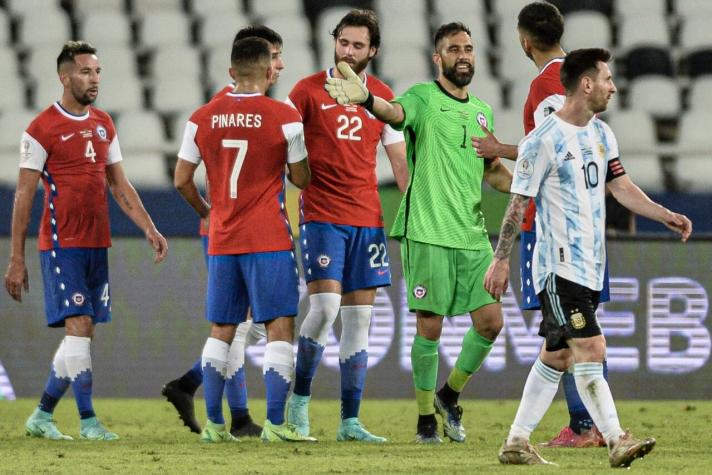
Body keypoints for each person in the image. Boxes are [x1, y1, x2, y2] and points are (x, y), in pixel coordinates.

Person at [484, 48, 692, 467]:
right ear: (586, 84)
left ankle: (516, 441)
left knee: (558, 355)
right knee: (591, 346)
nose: (613, 87)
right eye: (608, 79)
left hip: (590, 265)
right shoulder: (541, 141)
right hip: (559, 266)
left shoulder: (601, 133)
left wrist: (664, 214)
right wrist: (501, 259)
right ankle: (616, 440)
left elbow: (621, 186)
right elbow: (517, 204)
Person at [326, 22, 513, 443]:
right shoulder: (423, 99)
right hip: (428, 230)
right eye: (453, 49)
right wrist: (370, 100)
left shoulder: (481, 110)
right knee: (430, 327)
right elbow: (394, 112)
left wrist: (526, 186)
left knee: (491, 323)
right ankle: (426, 418)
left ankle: (450, 394)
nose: (463, 55)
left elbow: (494, 173)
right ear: (438, 58)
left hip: (471, 233)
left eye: (468, 48)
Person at [4, 41, 168, 441]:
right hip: (62, 244)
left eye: (97, 72)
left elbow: (119, 183)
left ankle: (42, 415)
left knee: (84, 330)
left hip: (97, 242)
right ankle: (88, 420)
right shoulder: (42, 128)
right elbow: (24, 195)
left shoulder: (104, 123)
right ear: (64, 77)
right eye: (85, 72)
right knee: (78, 324)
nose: (94, 79)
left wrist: (149, 226)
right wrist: (16, 258)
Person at [471, 2, 609, 448]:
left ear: (523, 39)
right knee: (567, 333)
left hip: (554, 227)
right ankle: (543, 433)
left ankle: (585, 427)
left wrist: (499, 147)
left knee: (570, 329)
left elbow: (552, 143)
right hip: (582, 223)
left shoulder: (548, 83)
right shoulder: (570, 78)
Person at [175, 36, 313, 443]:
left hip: (221, 240)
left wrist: (207, 212)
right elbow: (301, 178)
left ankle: (215, 427)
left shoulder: (201, 117)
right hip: (268, 238)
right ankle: (275, 424)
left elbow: (181, 179)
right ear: (269, 71)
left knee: (222, 329)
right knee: (279, 327)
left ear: (232, 72)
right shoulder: (283, 117)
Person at [284, 9, 408, 443]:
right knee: (324, 309)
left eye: (358, 45)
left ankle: (349, 421)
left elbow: (398, 159)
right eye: (343, 42)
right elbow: (284, 151)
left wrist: (409, 210)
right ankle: (297, 406)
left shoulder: (381, 97)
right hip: (321, 216)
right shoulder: (305, 92)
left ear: (372, 50)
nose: (348, 52)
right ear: (333, 41)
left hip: (367, 221)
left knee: (358, 323)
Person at [161, 25, 284, 439]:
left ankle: (225, 407)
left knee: (239, 325)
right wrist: (212, 214)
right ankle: (230, 409)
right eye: (274, 56)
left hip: (224, 228)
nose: (279, 65)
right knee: (241, 324)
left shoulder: (216, 109)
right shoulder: (247, 111)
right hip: (233, 231)